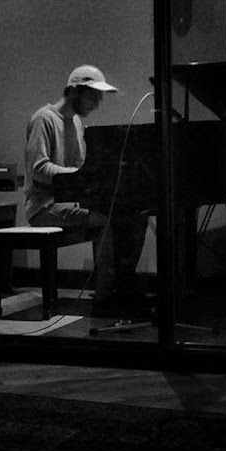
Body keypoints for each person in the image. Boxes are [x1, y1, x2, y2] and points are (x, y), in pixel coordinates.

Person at [23, 65, 147, 309]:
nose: (97, 103)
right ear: (73, 91)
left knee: (134, 216)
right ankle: (105, 298)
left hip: (69, 202)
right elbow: (39, 168)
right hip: (44, 207)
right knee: (104, 221)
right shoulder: (43, 119)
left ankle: (124, 288)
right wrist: (78, 176)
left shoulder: (77, 122)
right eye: (93, 96)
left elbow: (81, 165)